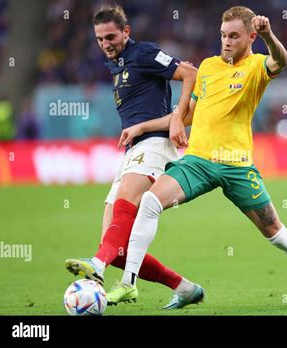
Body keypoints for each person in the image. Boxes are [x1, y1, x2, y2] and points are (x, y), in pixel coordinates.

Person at [107, 5, 287, 307]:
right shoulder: (208, 67)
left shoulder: (257, 67)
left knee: (275, 232)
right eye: (223, 35)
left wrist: (269, 35)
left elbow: (282, 61)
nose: (226, 41)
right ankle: (129, 283)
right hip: (198, 161)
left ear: (250, 36)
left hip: (237, 166)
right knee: (150, 202)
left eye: (234, 36)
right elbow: (189, 115)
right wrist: (147, 125)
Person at [65, 4, 204, 309]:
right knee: (115, 247)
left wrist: (178, 117)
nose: (105, 44)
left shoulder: (143, 53)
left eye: (111, 37)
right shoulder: (116, 65)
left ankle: (97, 267)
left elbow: (191, 73)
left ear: (126, 32)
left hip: (154, 146)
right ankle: (184, 288)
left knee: (109, 243)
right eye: (100, 39)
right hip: (132, 152)